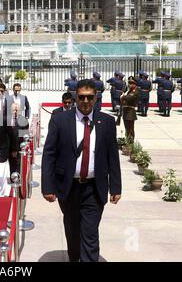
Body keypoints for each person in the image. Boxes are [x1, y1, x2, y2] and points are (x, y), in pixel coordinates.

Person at [41, 79, 122, 262]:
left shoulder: (107, 122)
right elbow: (49, 154)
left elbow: (112, 157)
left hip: (94, 188)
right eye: (81, 97)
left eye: (89, 97)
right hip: (68, 188)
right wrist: (48, 186)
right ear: (76, 97)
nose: (85, 101)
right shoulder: (60, 119)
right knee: (72, 231)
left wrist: (115, 187)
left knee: (90, 233)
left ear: (96, 98)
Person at [120, 76, 139, 142]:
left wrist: (123, 97)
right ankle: (127, 141)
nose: (130, 84)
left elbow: (129, 98)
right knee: (126, 129)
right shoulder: (128, 91)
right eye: (129, 83)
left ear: (135, 84)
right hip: (125, 111)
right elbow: (123, 100)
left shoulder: (135, 91)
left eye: (132, 83)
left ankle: (130, 143)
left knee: (130, 129)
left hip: (130, 112)